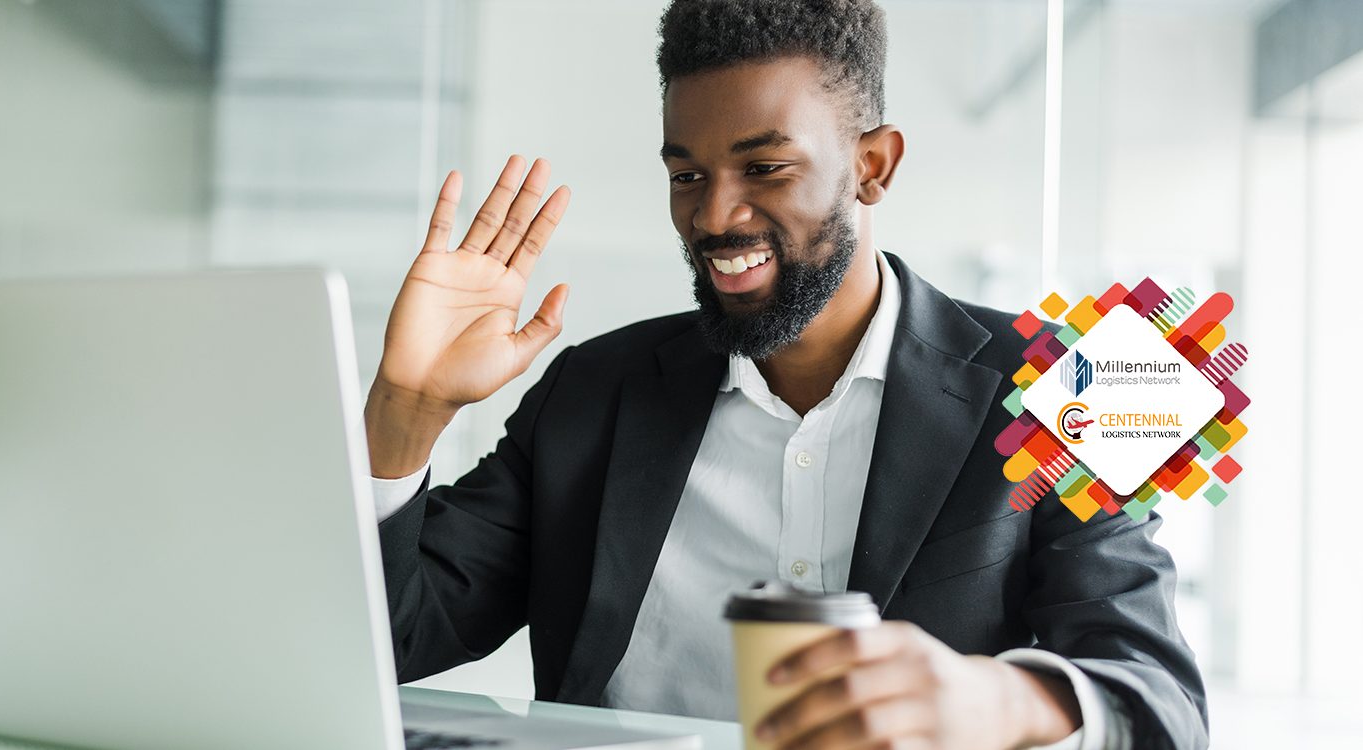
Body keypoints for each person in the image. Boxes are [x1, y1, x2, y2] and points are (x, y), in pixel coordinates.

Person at [363, 1, 1207, 748]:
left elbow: (1159, 701)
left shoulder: (1073, 388)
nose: (714, 215)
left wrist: (997, 701)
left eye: (765, 168)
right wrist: (407, 411)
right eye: (687, 174)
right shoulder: (594, 390)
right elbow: (396, 639)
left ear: (873, 166)